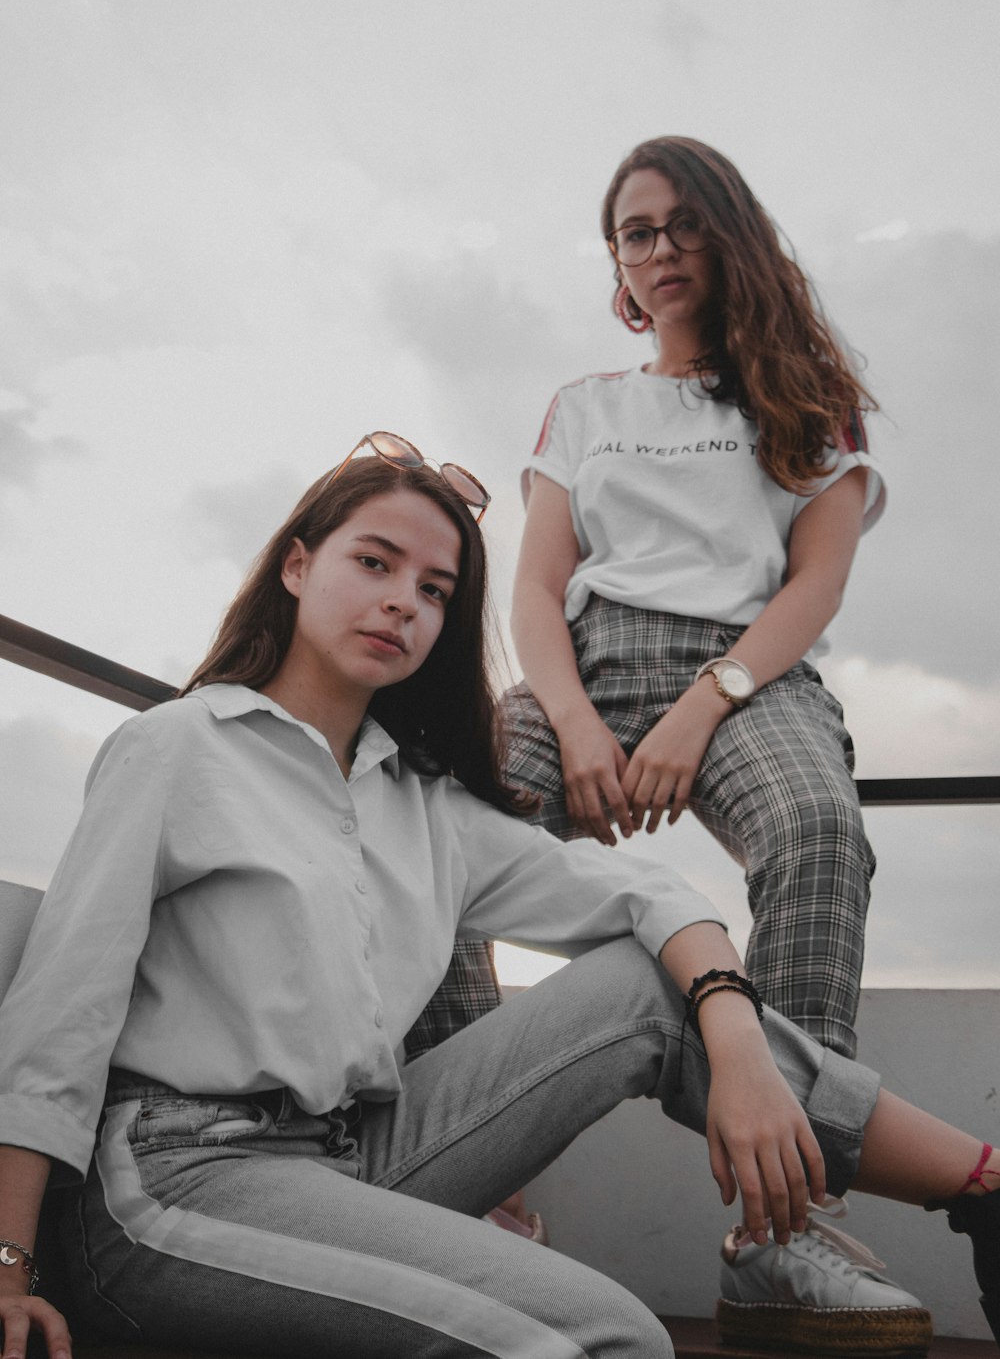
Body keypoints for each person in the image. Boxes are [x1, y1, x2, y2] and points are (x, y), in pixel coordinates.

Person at [0, 433, 997, 1359]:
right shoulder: (181, 747)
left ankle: (984, 1189)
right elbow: (62, 1007)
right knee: (611, 1337)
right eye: (375, 562)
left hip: (351, 1155)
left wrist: (733, 1036)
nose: (402, 603)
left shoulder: (424, 806)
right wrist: (9, 1262)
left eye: (434, 591)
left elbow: (646, 892)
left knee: (649, 988)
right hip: (170, 1179)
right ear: (297, 567)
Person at [459, 130, 913, 1331]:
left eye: (679, 224)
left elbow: (812, 588)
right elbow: (533, 591)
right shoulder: (585, 405)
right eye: (633, 233)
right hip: (583, 669)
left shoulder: (810, 404)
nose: (658, 250)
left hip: (744, 677)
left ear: (727, 229)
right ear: (615, 260)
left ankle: (784, 1232)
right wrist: (574, 722)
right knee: (451, 827)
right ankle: (473, 1191)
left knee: (820, 829)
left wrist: (702, 704)